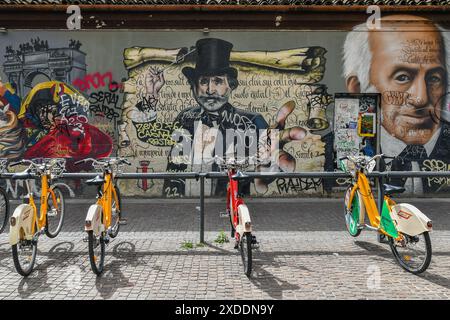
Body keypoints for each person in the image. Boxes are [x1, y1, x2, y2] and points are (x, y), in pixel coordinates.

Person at [145, 38, 321, 196]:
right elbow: (151, 134)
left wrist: (270, 169)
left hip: (228, 204)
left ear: (231, 86)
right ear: (194, 87)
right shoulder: (185, 117)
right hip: (179, 207)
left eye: (218, 81)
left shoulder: (251, 121)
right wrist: (151, 94)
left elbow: (269, 156)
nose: (210, 90)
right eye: (204, 81)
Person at [343, 14, 450, 194]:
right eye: (402, 77)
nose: (421, 99)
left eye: (434, 78)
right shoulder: (331, 153)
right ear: (358, 89)